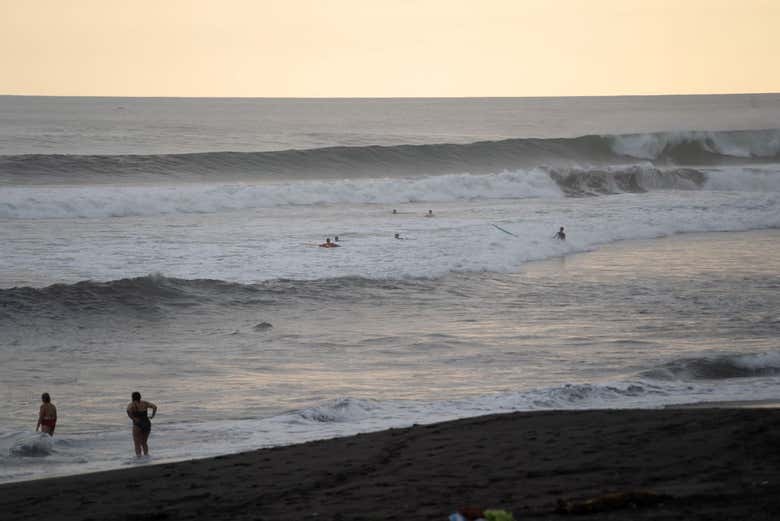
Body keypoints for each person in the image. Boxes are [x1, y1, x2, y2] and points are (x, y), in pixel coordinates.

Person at [127, 391, 157, 457]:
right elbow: (155, 407)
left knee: (137, 443)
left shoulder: (132, 405)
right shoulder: (145, 403)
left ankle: (139, 458)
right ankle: (146, 456)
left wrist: (133, 418)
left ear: (132, 398)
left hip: (138, 424)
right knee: (144, 442)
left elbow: (128, 411)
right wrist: (152, 416)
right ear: (140, 397)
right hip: (147, 423)